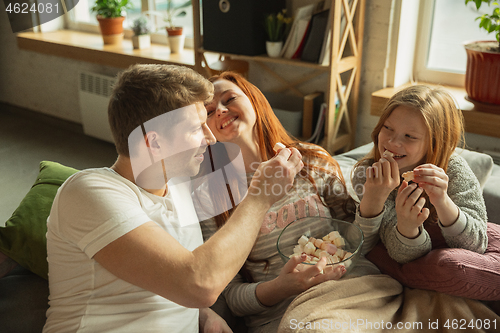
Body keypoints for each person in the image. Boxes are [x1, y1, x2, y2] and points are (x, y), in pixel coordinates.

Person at [42, 64, 304, 333]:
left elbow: (161, 274)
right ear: (154, 143)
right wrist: (260, 197)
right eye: (196, 128)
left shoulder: (181, 189)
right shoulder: (89, 192)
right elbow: (198, 283)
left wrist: (201, 315)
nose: (210, 137)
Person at [196, 72, 363, 333]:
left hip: (345, 294)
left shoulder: (311, 160)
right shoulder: (209, 195)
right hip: (282, 317)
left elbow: (357, 231)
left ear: (254, 100)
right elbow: (230, 297)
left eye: (229, 98)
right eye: (208, 111)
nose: (220, 110)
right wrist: (281, 288)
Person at [352, 84, 488, 264]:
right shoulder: (367, 174)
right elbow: (369, 248)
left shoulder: (454, 170)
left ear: (435, 143)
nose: (392, 142)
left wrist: (443, 201)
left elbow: (477, 244)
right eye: (387, 128)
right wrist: (375, 200)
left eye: (409, 136)